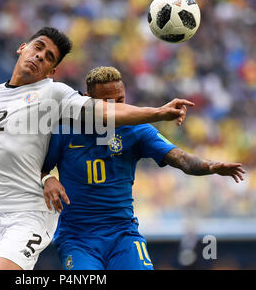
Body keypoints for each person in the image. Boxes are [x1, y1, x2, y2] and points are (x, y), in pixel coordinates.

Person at [0, 27, 193, 270]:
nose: (40, 56)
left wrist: (158, 113)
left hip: (26, 215)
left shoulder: (54, 94)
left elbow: (105, 112)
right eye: (38, 47)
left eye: (49, 57)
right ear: (22, 47)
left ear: (51, 72)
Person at [41, 66, 245, 270]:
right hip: (78, 238)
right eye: (106, 103)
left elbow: (181, 159)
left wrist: (211, 166)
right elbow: (35, 167)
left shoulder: (136, 129)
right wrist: (47, 178)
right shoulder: (64, 129)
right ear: (86, 100)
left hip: (122, 234)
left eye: (120, 101)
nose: (116, 109)